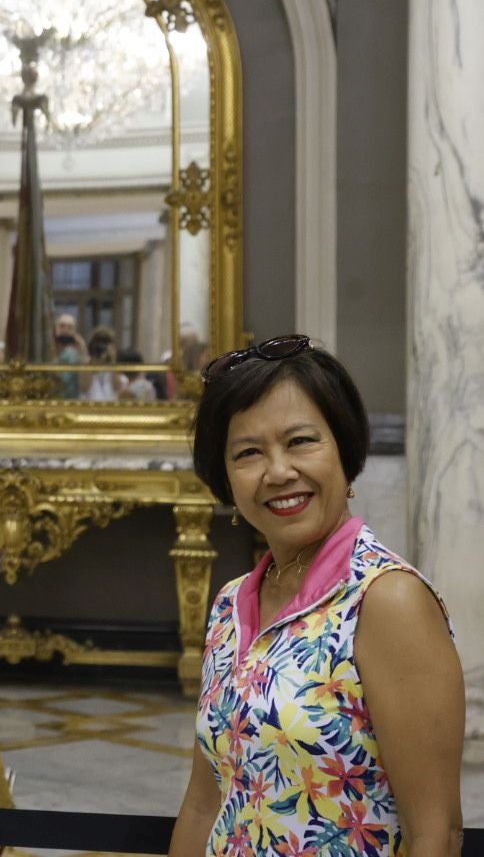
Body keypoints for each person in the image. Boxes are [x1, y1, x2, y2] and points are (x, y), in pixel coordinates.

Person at [169, 336, 463, 857]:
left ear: (344, 451)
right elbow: (204, 802)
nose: (278, 471)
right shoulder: (231, 606)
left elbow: (434, 834)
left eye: (301, 441)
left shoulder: (386, 602)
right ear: (226, 477)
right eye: (248, 452)